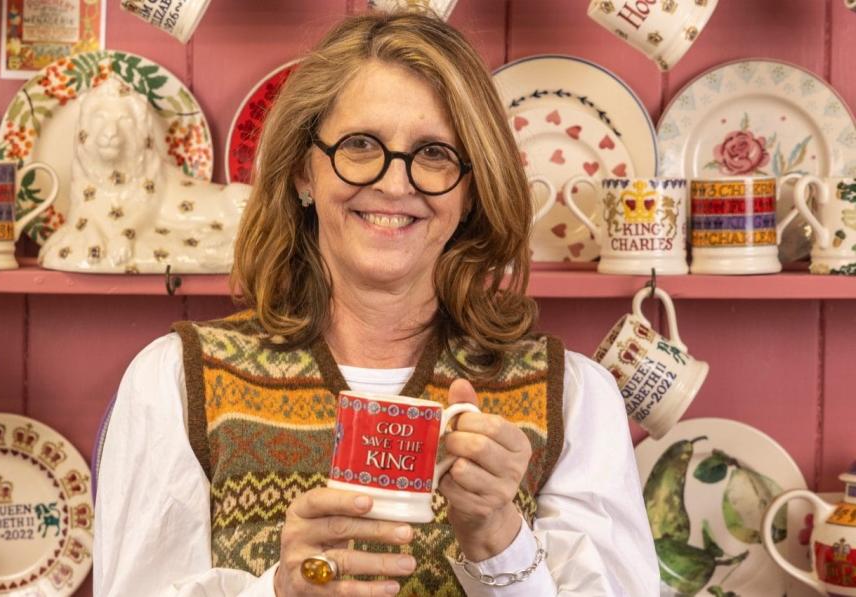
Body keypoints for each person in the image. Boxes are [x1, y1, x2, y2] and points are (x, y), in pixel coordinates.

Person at [94, 9, 659, 597]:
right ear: (302, 173)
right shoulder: (178, 381)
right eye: (360, 145)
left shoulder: (571, 396)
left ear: (471, 189)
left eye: (435, 153)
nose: (396, 183)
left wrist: (499, 539)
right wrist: (280, 591)